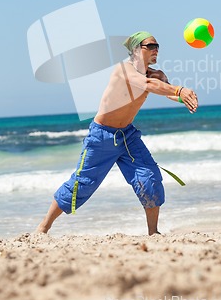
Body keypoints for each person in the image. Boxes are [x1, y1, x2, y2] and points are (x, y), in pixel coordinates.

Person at [37, 31, 198, 235]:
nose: (156, 49)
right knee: (82, 184)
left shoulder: (156, 74)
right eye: (151, 46)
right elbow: (148, 85)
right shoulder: (123, 70)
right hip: (102, 136)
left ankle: (153, 232)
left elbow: (166, 91)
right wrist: (179, 90)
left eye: (158, 46)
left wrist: (185, 97)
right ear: (136, 50)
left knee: (149, 177)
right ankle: (43, 228)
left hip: (127, 136)